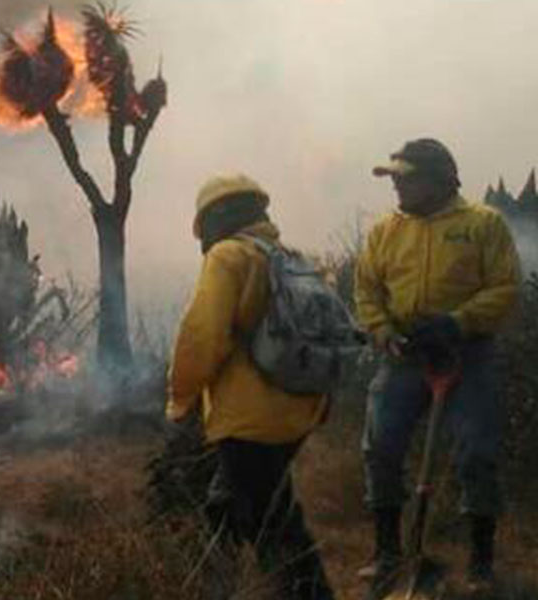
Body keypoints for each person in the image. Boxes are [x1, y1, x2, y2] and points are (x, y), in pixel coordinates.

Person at [355, 138, 521, 592]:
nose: (397, 186)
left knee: (476, 454)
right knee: (380, 447)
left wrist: (457, 321)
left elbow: (506, 288)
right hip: (404, 355)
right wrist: (383, 331)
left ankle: (480, 563)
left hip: (468, 354)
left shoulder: (483, 224)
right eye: (395, 177)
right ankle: (387, 552)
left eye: (406, 177)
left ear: (439, 179)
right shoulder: (386, 230)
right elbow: (367, 289)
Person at [166, 173, 334, 600]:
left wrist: (179, 399)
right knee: (228, 503)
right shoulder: (286, 255)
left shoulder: (229, 256)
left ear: (214, 219)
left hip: (248, 417)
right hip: (296, 410)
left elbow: (202, 336)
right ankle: (213, 584)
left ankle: (307, 594)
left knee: (272, 522)